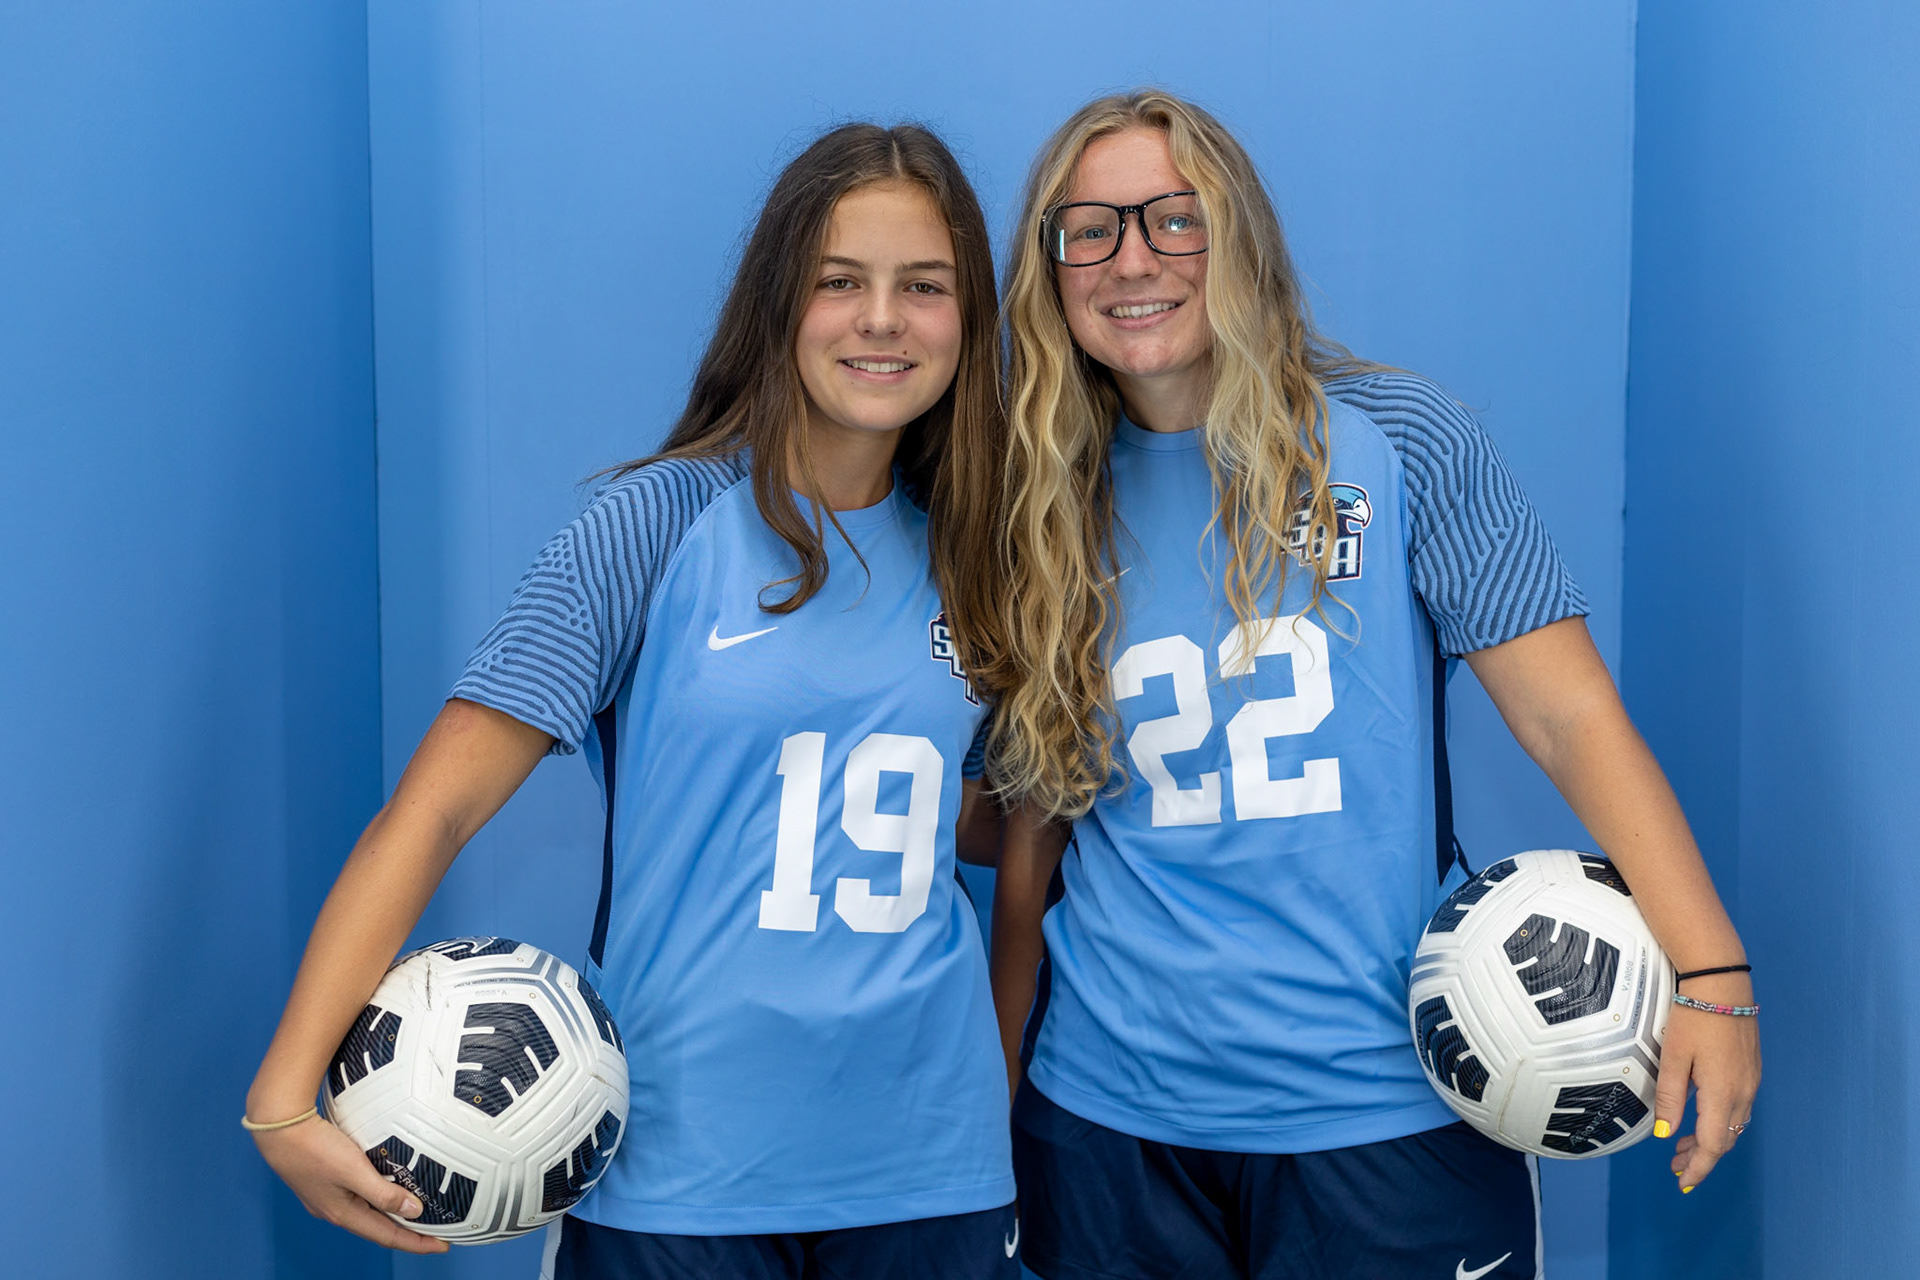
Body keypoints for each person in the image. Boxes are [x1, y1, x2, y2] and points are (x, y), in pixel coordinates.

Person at [978, 90, 1762, 1280]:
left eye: (1175, 218)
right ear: (1050, 271)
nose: (1132, 260)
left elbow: (1565, 717)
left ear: (1241, 236)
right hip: (1110, 1122)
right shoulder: (1032, 493)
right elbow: (1026, 811)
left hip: (1388, 1113)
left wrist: (1711, 975)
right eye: (1090, 230)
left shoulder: (1399, 438)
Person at [244, 122, 1020, 1279]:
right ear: (777, 304)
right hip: (681, 1169)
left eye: (924, 285)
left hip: (932, 1165)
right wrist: (283, 1093)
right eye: (838, 281)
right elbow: (434, 812)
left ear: (969, 317)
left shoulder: (983, 554)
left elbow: (979, 816)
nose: (881, 319)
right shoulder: (657, 524)